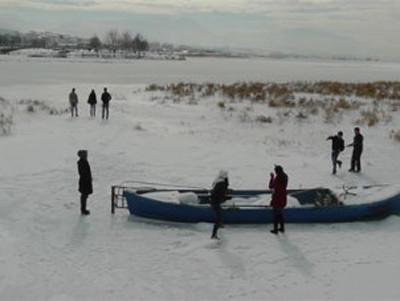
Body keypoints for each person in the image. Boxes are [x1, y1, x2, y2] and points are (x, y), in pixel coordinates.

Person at [269, 165, 288, 234]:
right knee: (280, 213)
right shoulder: (285, 176)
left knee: (276, 214)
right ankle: (282, 228)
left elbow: (271, 186)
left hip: (277, 198)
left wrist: (272, 177)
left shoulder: (278, 178)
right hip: (283, 197)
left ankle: (275, 229)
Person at [210, 170, 229, 240]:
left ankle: (220, 224)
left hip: (214, 201)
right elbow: (223, 191)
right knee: (218, 218)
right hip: (216, 202)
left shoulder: (218, 180)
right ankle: (214, 234)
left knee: (219, 215)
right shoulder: (222, 183)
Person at [77, 149, 93, 215]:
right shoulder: (82, 162)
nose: (87, 155)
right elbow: (84, 173)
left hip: (85, 181)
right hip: (84, 182)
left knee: (85, 196)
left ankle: (83, 209)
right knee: (84, 195)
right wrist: (88, 179)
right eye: (86, 154)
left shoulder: (83, 161)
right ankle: (83, 210)